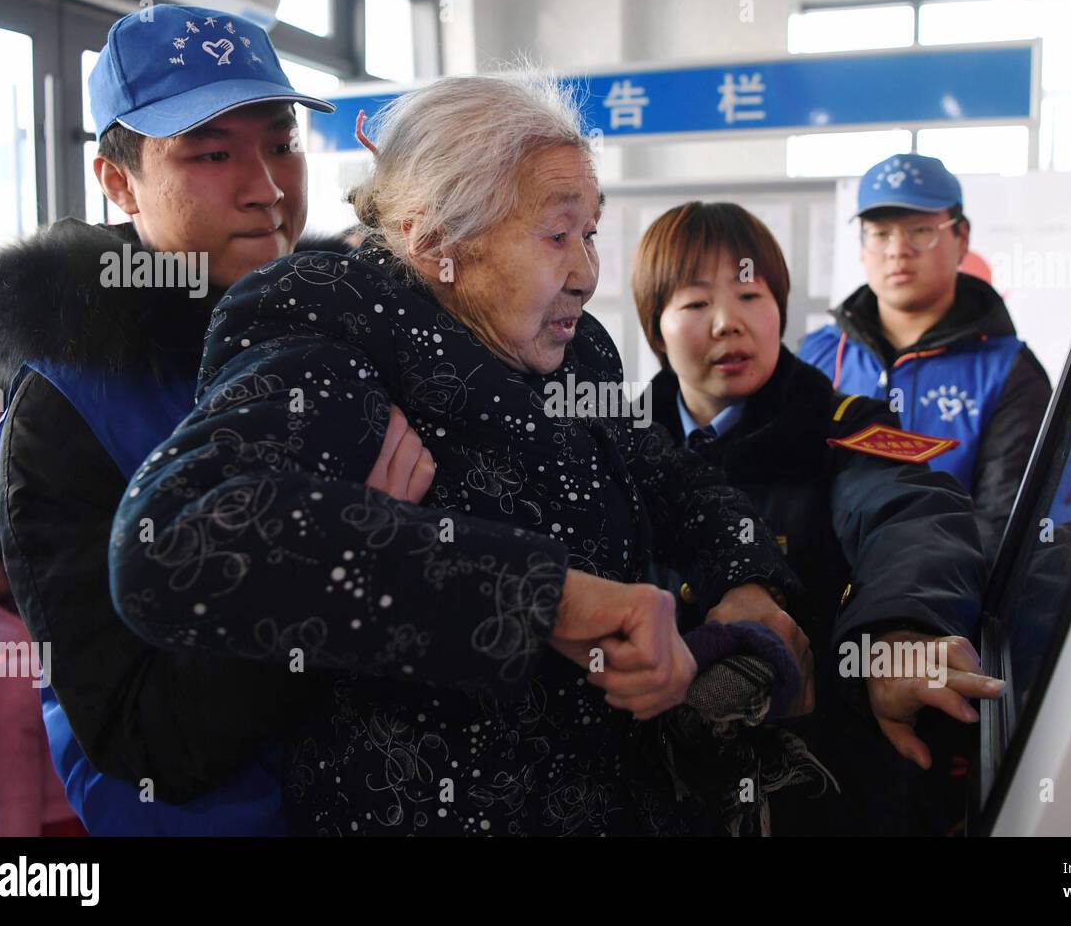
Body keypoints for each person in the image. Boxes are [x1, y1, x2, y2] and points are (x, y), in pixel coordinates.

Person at [109, 72, 810, 837]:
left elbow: (672, 479)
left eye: (592, 233)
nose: (585, 272)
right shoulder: (328, 332)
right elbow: (181, 537)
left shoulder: (574, 352)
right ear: (436, 241)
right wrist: (549, 600)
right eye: (555, 234)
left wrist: (744, 578)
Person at [0, 4, 355, 835]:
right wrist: (340, 571)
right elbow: (142, 737)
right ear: (117, 181)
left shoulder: (342, 332)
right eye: (212, 154)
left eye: (282, 143)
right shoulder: (69, 408)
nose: (267, 188)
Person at [633, 200, 999, 834]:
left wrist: (898, 633)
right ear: (655, 328)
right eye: (695, 304)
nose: (728, 323)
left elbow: (913, 516)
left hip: (823, 792)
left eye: (750, 295)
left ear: (780, 309)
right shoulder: (618, 452)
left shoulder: (844, 432)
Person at [799, 155, 1052, 562]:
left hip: (943, 608)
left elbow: (1004, 527)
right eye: (880, 234)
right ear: (862, 248)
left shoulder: (1009, 373)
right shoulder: (817, 354)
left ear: (962, 238)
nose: (898, 251)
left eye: (920, 231)